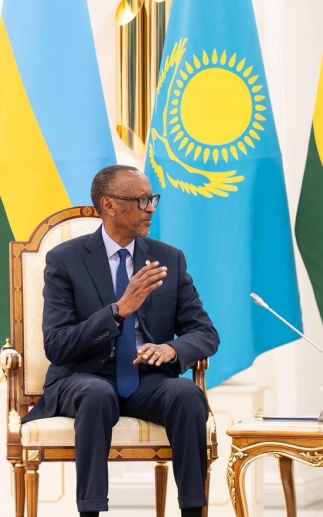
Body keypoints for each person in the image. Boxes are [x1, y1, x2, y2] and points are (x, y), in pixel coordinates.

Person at [24, 165, 220, 517]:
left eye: (152, 198)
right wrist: (117, 312)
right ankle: (92, 511)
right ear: (110, 205)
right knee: (97, 394)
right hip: (84, 378)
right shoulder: (65, 260)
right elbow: (57, 344)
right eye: (142, 200)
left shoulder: (168, 258)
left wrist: (171, 348)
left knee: (187, 393)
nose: (151, 208)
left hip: (146, 379)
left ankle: (194, 510)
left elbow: (205, 333)